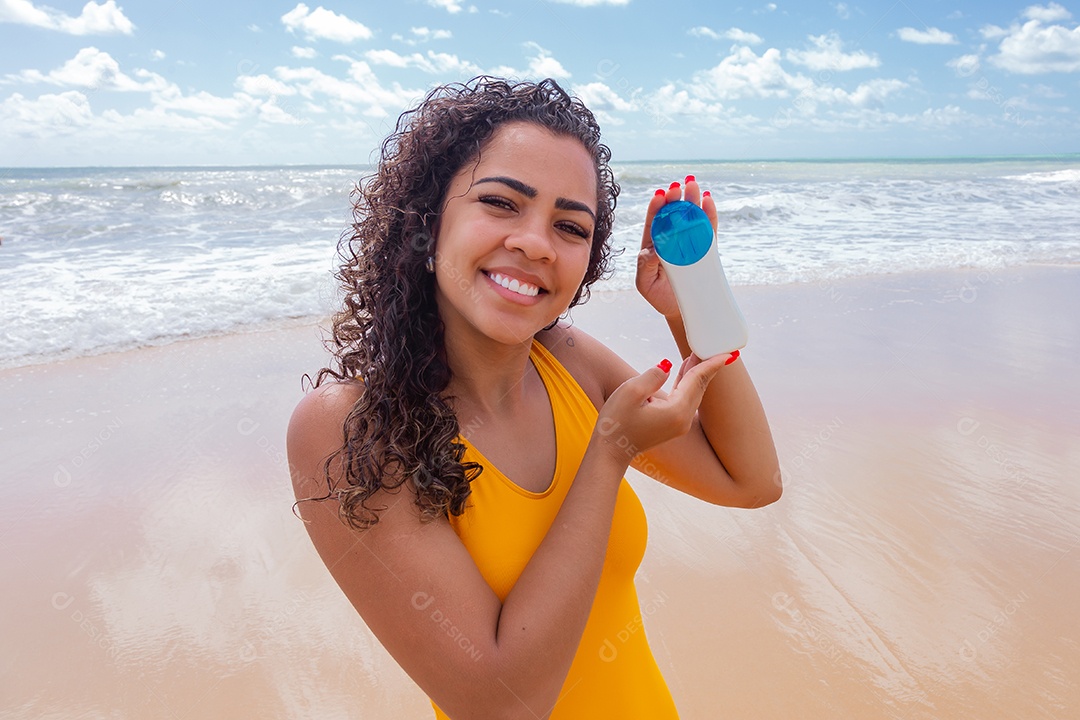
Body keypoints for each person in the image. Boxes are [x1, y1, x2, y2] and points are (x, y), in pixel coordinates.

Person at [287, 76, 781, 719]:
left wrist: (693, 306)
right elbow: (502, 706)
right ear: (427, 218)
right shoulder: (353, 427)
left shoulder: (570, 365)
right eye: (500, 203)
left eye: (570, 226)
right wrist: (611, 452)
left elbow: (752, 481)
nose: (536, 242)